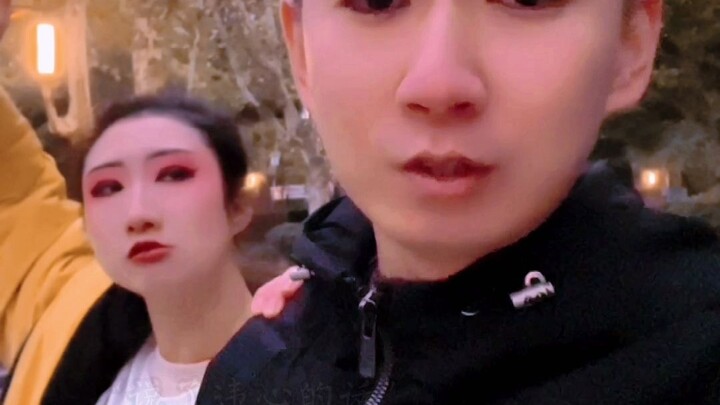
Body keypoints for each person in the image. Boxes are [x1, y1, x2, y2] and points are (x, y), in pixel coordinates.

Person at [200, 0, 720, 403]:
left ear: (630, 44)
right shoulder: (253, 375)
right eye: (376, 1)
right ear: (302, 52)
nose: (439, 83)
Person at [0, 89, 296, 404]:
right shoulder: (65, 322)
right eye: (108, 188)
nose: (138, 214)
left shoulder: (319, 365)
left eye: (173, 175)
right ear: (86, 225)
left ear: (238, 205)